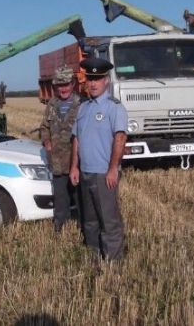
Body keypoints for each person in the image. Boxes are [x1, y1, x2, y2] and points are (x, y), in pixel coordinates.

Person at [70, 57, 128, 260]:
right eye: (90, 79)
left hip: (104, 174)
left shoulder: (115, 107)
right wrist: (74, 167)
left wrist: (113, 169)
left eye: (97, 79)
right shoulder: (83, 108)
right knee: (90, 220)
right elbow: (77, 137)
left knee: (108, 220)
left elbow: (120, 139)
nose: (93, 83)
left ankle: (113, 262)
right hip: (85, 171)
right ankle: (93, 256)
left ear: (106, 81)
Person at [39, 66, 82, 232]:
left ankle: (82, 226)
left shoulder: (82, 104)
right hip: (57, 161)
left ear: (73, 84)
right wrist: (47, 141)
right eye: (59, 85)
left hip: (76, 162)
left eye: (66, 84)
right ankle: (60, 228)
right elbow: (44, 127)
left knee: (79, 197)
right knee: (60, 198)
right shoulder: (51, 104)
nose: (63, 88)